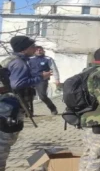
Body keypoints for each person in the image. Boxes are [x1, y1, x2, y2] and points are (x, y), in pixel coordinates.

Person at [0, 36, 52, 171]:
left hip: (5, 105)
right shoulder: (19, 63)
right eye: (32, 46)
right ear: (24, 49)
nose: (35, 48)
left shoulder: (9, 60)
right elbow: (17, 85)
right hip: (10, 108)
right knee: (4, 145)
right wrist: (41, 77)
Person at [28, 46, 59, 115]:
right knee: (29, 96)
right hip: (31, 79)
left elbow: (54, 69)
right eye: (37, 50)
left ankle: (53, 108)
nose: (39, 51)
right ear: (34, 51)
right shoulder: (30, 59)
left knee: (42, 96)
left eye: (40, 50)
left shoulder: (47, 59)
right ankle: (30, 112)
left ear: (43, 51)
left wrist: (57, 79)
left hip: (42, 80)